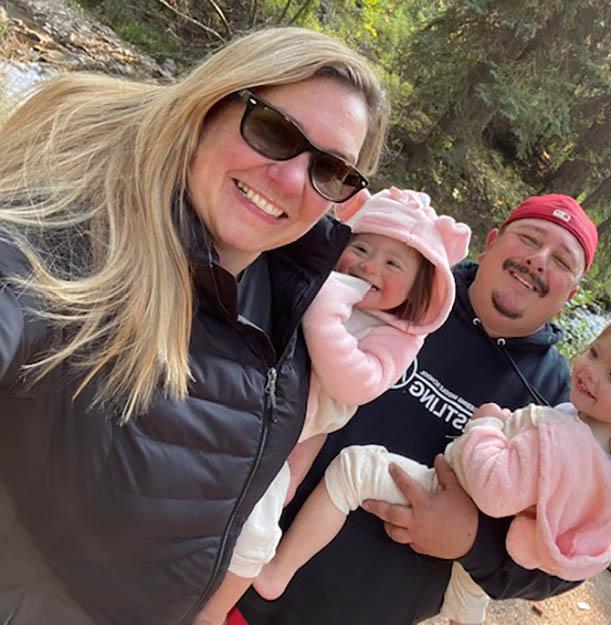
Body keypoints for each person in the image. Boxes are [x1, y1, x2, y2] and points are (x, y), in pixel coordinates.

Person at [0, 26, 388, 625]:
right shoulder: (78, 243)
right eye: (274, 131)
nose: (290, 180)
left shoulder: (293, 296)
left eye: (332, 169)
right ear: (212, 104)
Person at [237, 194, 601, 625]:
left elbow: (571, 554)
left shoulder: (561, 403)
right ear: (491, 242)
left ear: (571, 294)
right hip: (236, 566)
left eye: (561, 260)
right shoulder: (406, 287)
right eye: (529, 238)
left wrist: (473, 541)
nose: (539, 260)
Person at [256, 304, 611, 624]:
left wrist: (486, 426)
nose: (589, 371)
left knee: (355, 468)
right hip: (505, 543)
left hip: (462, 499)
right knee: (471, 588)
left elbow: (492, 488)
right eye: (594, 353)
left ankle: (278, 569)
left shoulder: (565, 430)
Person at [191, 187, 470, 625]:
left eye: (392, 263)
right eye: (361, 247)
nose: (368, 265)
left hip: (281, 441)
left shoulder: (393, 334)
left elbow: (357, 383)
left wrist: (325, 313)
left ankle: (211, 612)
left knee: (257, 532)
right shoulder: (319, 283)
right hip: (240, 404)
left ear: (416, 287)